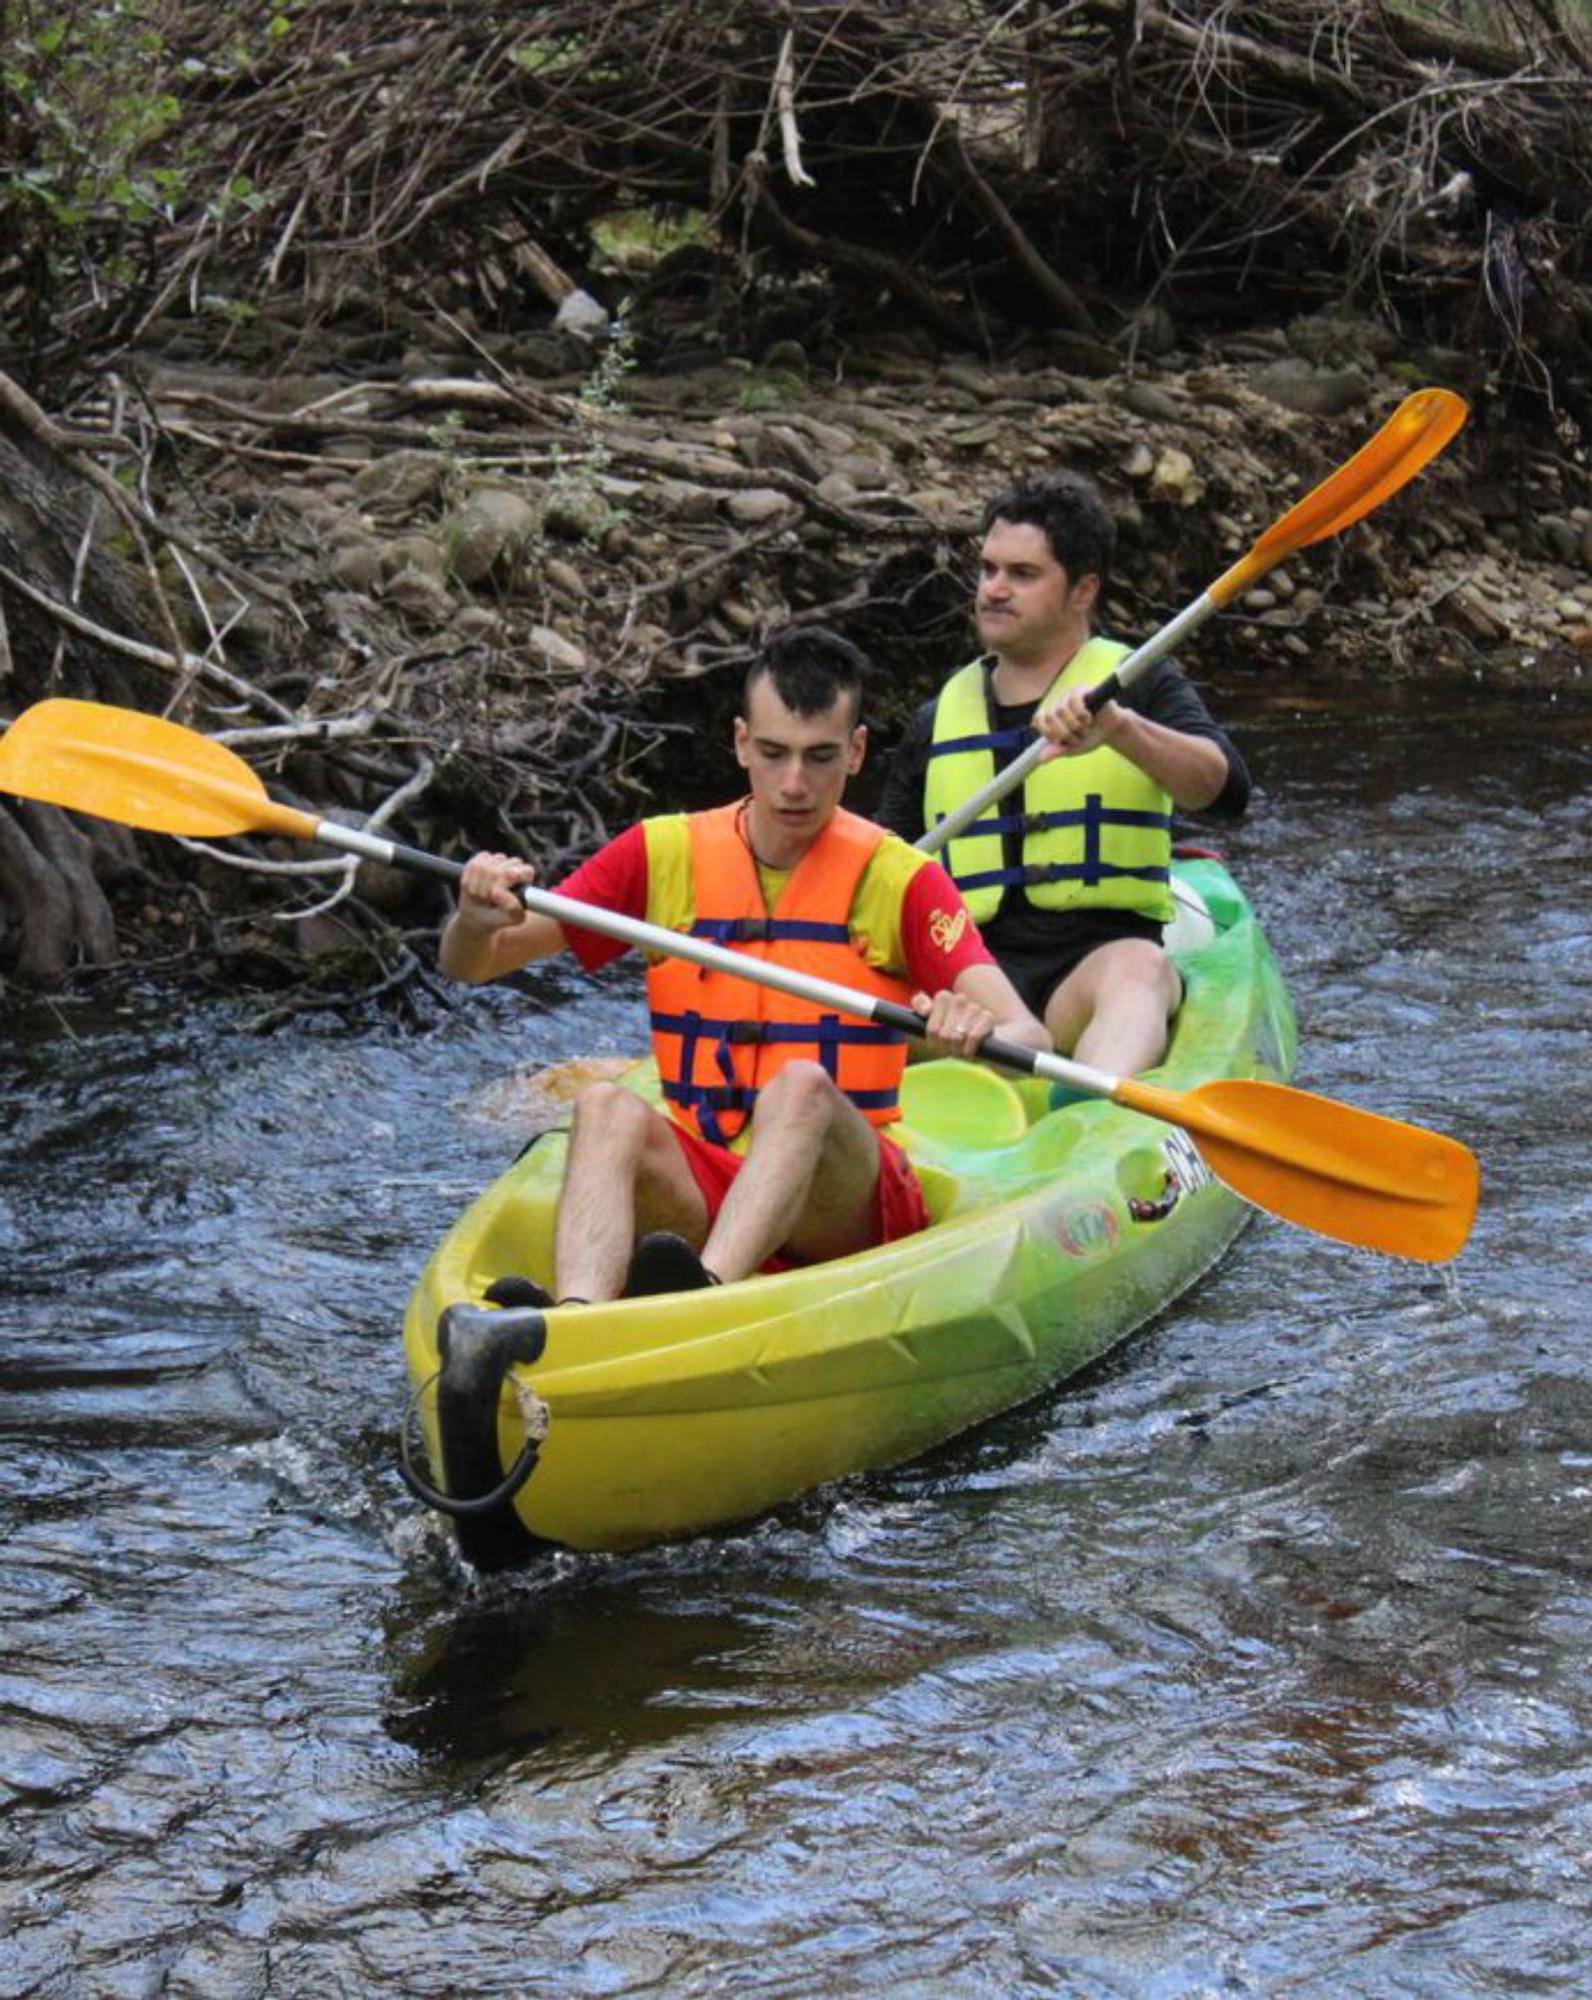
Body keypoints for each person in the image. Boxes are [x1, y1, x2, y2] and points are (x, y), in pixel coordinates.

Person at [440, 626, 1049, 1304]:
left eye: (820, 757)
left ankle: (709, 1293)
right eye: (773, 754)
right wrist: (473, 917)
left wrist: (972, 1030)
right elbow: (476, 965)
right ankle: (577, 1319)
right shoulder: (660, 854)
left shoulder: (901, 880)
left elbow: (1031, 1037)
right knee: (604, 1106)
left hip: (844, 1208)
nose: (794, 785)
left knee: (801, 1088)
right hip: (710, 1172)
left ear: (856, 752)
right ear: (739, 744)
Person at [878, 470, 1249, 1078]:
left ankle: (1090, 1123)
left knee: (1143, 969)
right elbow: (883, 868)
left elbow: (1225, 789)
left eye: (1023, 575)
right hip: (975, 982)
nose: (995, 589)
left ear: (1082, 592)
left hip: (1090, 968)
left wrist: (1124, 731)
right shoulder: (935, 720)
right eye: (989, 570)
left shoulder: (1136, 682)